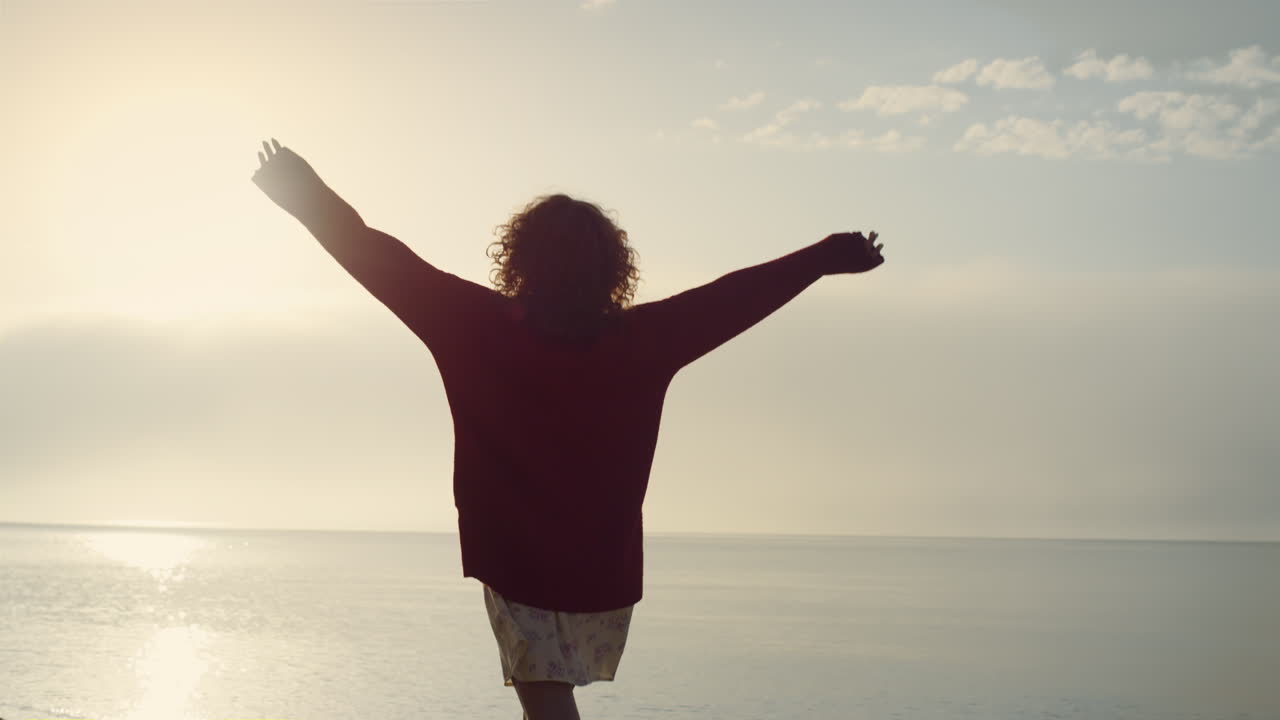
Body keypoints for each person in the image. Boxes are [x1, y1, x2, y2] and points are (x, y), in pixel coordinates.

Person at [251, 137, 885, 720]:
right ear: (611, 269)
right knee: (548, 700)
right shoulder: (645, 339)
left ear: (520, 259)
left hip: (514, 554)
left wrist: (300, 189)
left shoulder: (470, 324)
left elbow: (371, 253)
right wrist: (826, 257)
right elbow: (735, 295)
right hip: (599, 565)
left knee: (545, 700)